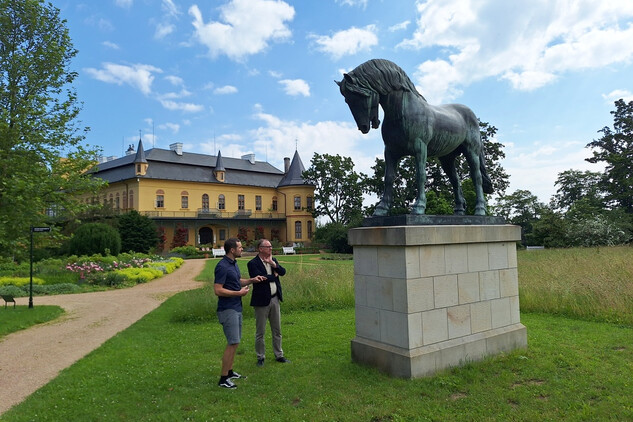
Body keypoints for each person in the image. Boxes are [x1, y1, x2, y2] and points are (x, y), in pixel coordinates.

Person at [214, 237, 265, 389]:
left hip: (236, 307)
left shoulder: (233, 264)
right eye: (240, 247)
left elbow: (237, 281)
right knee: (232, 343)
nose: (242, 249)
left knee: (235, 342)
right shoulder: (222, 266)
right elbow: (218, 289)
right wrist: (239, 293)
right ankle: (223, 379)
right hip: (228, 309)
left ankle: (229, 372)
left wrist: (251, 280)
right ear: (232, 250)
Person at [247, 238, 289, 366]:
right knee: (261, 331)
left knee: (277, 330)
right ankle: (260, 357)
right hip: (261, 301)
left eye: (271, 246)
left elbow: (283, 272)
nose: (271, 248)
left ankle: (279, 355)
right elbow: (260, 279)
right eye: (268, 247)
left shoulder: (273, 260)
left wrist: (273, 264)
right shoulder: (253, 263)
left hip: (274, 299)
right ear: (260, 249)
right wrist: (273, 276)